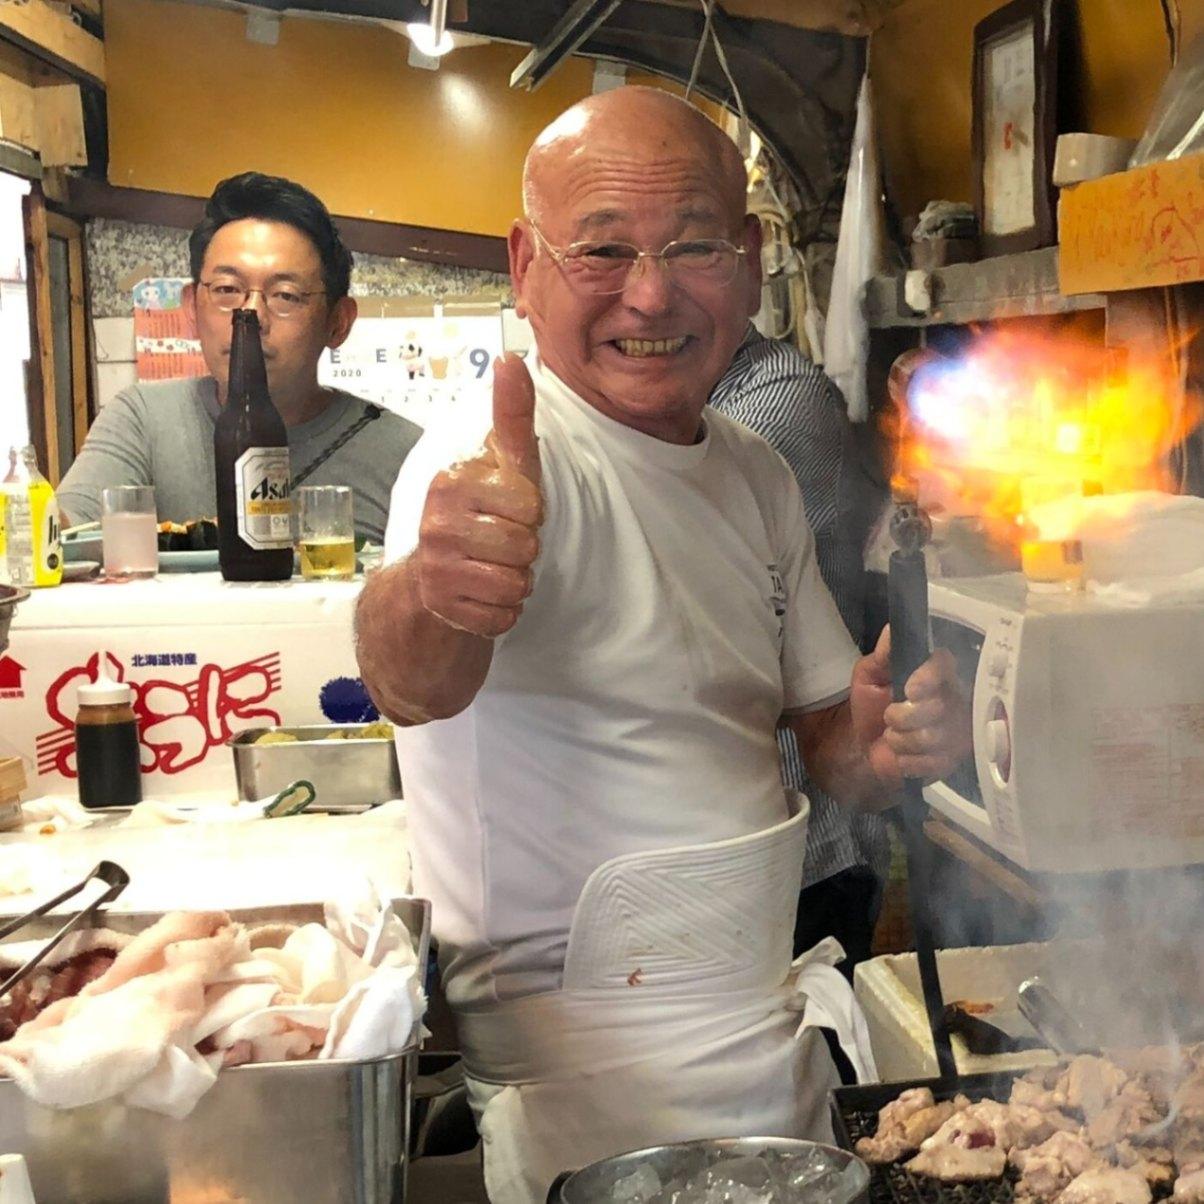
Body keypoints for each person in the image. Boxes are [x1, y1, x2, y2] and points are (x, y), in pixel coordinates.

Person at [355, 87, 968, 1204]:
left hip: (766, 1050)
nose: (650, 294)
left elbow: (825, 736)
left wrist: (881, 744)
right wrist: (435, 590)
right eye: (602, 250)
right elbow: (411, 680)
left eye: (692, 246)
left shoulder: (753, 469)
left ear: (747, 261)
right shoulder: (482, 460)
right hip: (577, 1088)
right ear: (525, 265)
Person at [58, 172, 421, 544]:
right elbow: (63, 531)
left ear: (338, 322)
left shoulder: (407, 453)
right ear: (191, 309)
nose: (251, 316)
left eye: (286, 295)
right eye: (227, 289)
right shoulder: (145, 420)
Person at [709, 326, 888, 972]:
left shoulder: (777, 402)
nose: (650, 297)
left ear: (749, 277)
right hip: (727, 858)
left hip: (809, 854)